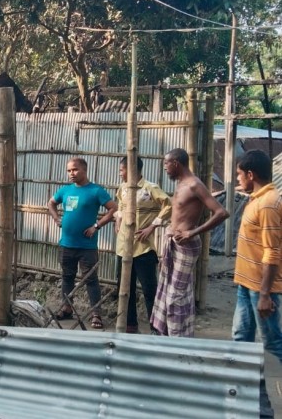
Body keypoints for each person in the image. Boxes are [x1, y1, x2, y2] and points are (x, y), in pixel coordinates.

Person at [150, 148, 228, 337]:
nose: (165, 167)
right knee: (167, 289)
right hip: (173, 242)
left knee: (176, 295)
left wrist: (192, 232)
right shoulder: (181, 183)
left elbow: (221, 212)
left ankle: (178, 338)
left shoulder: (194, 185)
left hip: (186, 244)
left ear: (176, 163)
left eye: (166, 163)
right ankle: (168, 334)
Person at [231, 150, 282, 418]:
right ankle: (259, 407)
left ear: (251, 174)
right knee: (241, 342)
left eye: (239, 174)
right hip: (246, 285)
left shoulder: (269, 203)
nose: (237, 178)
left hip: (262, 291)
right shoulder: (256, 200)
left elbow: (272, 252)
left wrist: (264, 294)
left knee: (273, 344)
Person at [47, 157, 118, 330]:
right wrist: (56, 218)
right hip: (66, 243)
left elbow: (114, 208)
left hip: (87, 246)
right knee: (67, 277)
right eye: (69, 170)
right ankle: (67, 308)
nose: (71, 173)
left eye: (75, 170)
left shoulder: (95, 191)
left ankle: (96, 314)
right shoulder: (65, 190)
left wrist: (97, 226)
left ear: (84, 170)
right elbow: (51, 203)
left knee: (91, 279)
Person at [114, 157, 172, 333]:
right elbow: (120, 206)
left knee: (149, 290)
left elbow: (168, 205)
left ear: (133, 169)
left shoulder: (150, 188)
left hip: (143, 248)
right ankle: (130, 326)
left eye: (122, 170)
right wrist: (118, 220)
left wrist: (153, 225)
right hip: (123, 247)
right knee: (125, 289)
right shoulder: (123, 188)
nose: (120, 173)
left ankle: (156, 328)